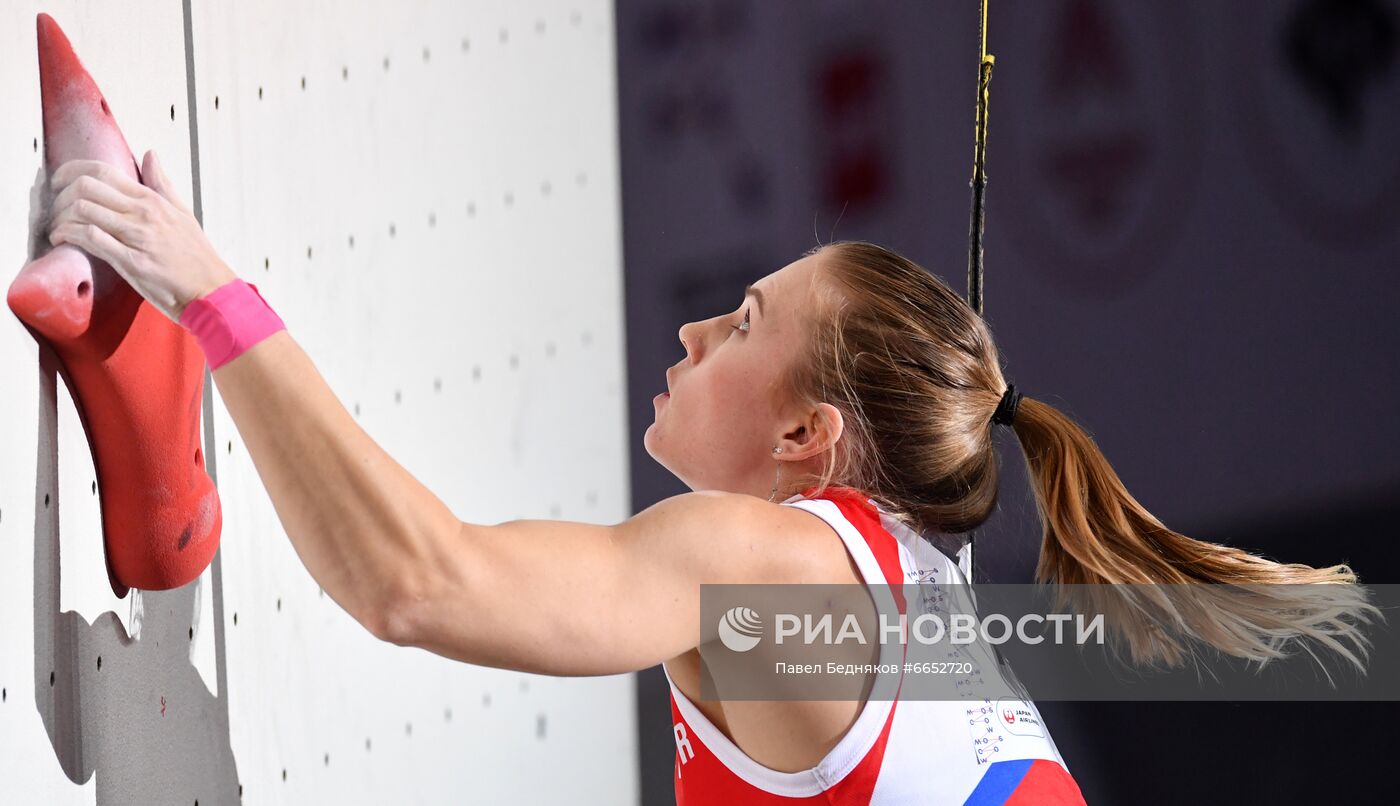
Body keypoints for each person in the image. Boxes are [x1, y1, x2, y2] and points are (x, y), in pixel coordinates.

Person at [41, 153, 1379, 804]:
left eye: (743, 320)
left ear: (807, 440)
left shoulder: (774, 568)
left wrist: (209, 290)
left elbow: (418, 582)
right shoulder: (914, 588)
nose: (690, 332)